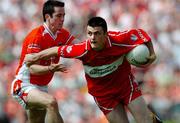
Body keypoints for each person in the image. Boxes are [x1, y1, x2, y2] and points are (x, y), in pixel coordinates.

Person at [25, 17, 162, 123]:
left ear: (105, 34)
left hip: (126, 87)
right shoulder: (82, 49)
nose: (92, 38)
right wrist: (35, 56)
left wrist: (152, 52)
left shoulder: (119, 39)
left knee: (145, 121)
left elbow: (140, 33)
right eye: (89, 33)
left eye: (97, 34)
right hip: (104, 96)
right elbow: (56, 50)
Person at [11, 1, 76, 123]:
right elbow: (32, 68)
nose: (62, 19)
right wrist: (51, 69)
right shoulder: (36, 36)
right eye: (58, 16)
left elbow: (78, 46)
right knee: (51, 102)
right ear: (47, 17)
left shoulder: (62, 34)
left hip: (41, 87)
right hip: (24, 84)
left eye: (64, 15)